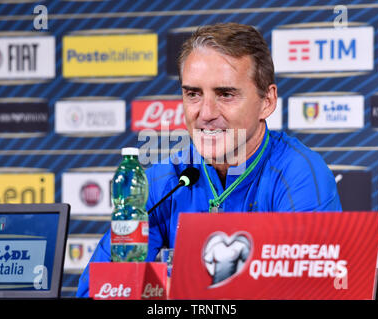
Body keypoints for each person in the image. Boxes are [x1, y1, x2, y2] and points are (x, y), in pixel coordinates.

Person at [76, 22, 342, 298]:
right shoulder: (164, 179)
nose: (206, 113)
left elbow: (310, 292)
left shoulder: (299, 175)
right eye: (193, 94)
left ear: (267, 101)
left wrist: (171, 284)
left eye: (225, 94)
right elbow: (96, 290)